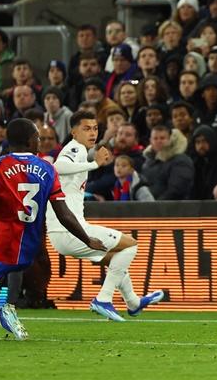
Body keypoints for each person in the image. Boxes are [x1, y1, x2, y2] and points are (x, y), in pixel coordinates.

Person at [0, 118, 106, 340]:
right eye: (38, 137)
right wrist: (87, 239)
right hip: (28, 250)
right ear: (30, 141)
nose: (39, 141)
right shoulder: (48, 168)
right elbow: (64, 213)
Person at [51, 111, 165, 321]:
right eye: (86, 128)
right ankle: (103, 298)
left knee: (114, 259)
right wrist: (95, 165)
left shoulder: (80, 150)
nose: (92, 132)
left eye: (95, 128)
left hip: (62, 233)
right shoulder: (74, 148)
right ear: (73, 131)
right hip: (69, 229)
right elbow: (58, 167)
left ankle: (133, 302)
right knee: (130, 245)